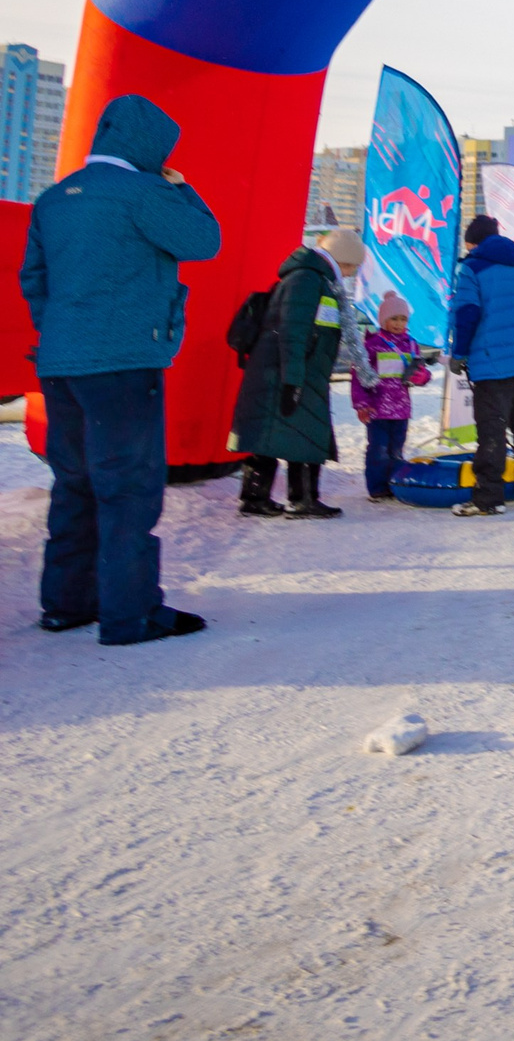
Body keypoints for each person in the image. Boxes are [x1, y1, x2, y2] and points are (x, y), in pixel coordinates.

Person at [21, 93, 220, 643]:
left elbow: (33, 280)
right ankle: (130, 614)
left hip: (61, 364)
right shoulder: (145, 192)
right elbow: (205, 241)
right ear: (151, 147)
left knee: (75, 483)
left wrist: (65, 332)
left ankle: (65, 604)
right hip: (123, 363)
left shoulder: (54, 198)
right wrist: (183, 186)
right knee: (128, 488)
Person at [232, 226, 366, 520]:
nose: (350, 273)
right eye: (350, 266)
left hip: (295, 369)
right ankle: (302, 500)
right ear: (340, 259)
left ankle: (256, 498)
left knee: (271, 433)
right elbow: (293, 332)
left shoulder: (313, 279)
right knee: (304, 433)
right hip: (294, 371)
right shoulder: (308, 280)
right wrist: (293, 380)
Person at [449, 213, 514, 515]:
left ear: (474, 242)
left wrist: (460, 354)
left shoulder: (472, 268)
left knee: (491, 431)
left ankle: (488, 498)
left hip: (491, 363)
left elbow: (466, 313)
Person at [350, 291, 433, 501]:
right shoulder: (372, 344)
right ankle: (377, 487)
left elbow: (420, 372)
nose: (398, 323)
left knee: (396, 450)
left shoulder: (411, 344)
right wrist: (362, 403)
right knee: (378, 449)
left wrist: (422, 376)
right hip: (377, 409)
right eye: (394, 318)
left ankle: (395, 484)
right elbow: (359, 375)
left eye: (403, 319)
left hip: (401, 409)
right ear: (383, 319)